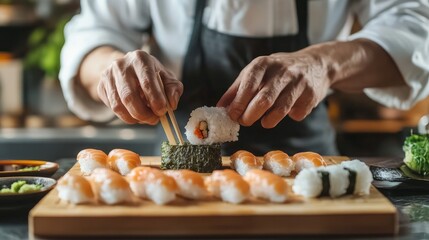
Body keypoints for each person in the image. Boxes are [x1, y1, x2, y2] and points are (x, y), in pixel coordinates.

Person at [59, 0, 429, 156]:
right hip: (173, 163)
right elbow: (97, 30)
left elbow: (416, 26)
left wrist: (326, 62)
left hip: (308, 165)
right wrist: (111, 69)